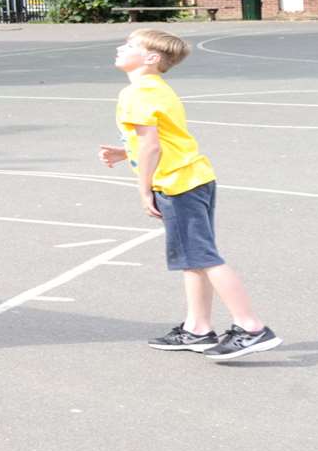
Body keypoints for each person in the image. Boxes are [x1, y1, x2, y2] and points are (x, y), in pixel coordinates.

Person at [99, 29, 279, 360]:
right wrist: (125, 152)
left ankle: (252, 327)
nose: (119, 48)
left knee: (203, 257)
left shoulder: (136, 93)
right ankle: (197, 329)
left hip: (176, 184)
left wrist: (144, 190)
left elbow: (151, 145)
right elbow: (165, 137)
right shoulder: (157, 89)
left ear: (152, 58)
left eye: (129, 46)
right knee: (192, 260)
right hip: (195, 178)